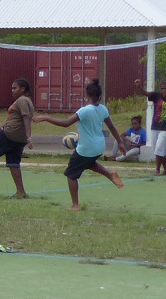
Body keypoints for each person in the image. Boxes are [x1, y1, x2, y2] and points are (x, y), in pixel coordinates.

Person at [36, 79, 126, 210]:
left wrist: (46, 118)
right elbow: (111, 127)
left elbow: (66, 123)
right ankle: (110, 175)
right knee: (89, 163)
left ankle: (75, 205)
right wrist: (120, 142)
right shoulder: (103, 109)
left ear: (86, 94)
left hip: (87, 148)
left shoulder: (84, 111)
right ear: (99, 95)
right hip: (100, 147)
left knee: (71, 174)